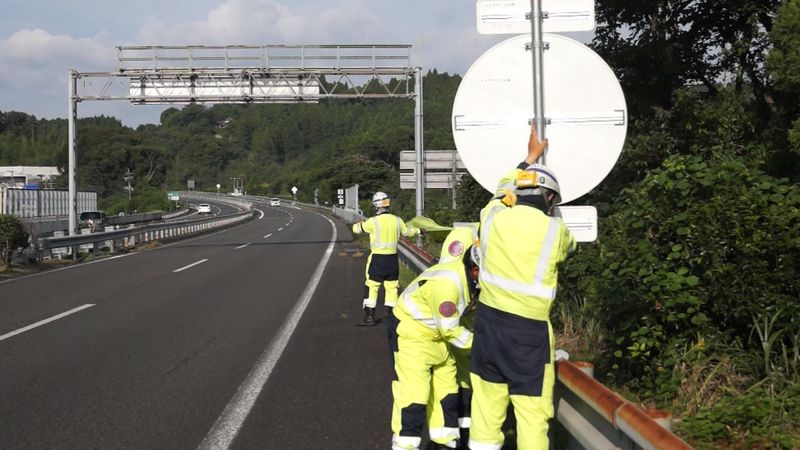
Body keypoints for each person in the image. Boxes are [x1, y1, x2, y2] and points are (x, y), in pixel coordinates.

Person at [468, 126, 576, 450]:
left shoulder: (492, 217)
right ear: (550, 198)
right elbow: (569, 247)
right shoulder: (556, 232)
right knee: (531, 415)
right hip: (528, 333)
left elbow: (501, 190)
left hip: (487, 326)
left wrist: (528, 158)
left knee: (486, 410)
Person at [388, 227, 481, 450]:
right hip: (412, 335)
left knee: (447, 391)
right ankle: (405, 444)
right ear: (475, 268)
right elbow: (451, 330)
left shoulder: (468, 279)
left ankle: (446, 442)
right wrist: (484, 346)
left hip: (438, 338)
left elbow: (461, 323)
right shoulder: (448, 284)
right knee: (415, 394)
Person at [352, 191, 420, 326]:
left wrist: (358, 224)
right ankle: (392, 317)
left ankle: (369, 317)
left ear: (376, 205)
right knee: (392, 287)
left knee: (372, 286)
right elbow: (408, 232)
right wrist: (419, 231)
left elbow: (357, 229)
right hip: (392, 259)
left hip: (378, 259)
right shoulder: (397, 220)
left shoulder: (373, 222)